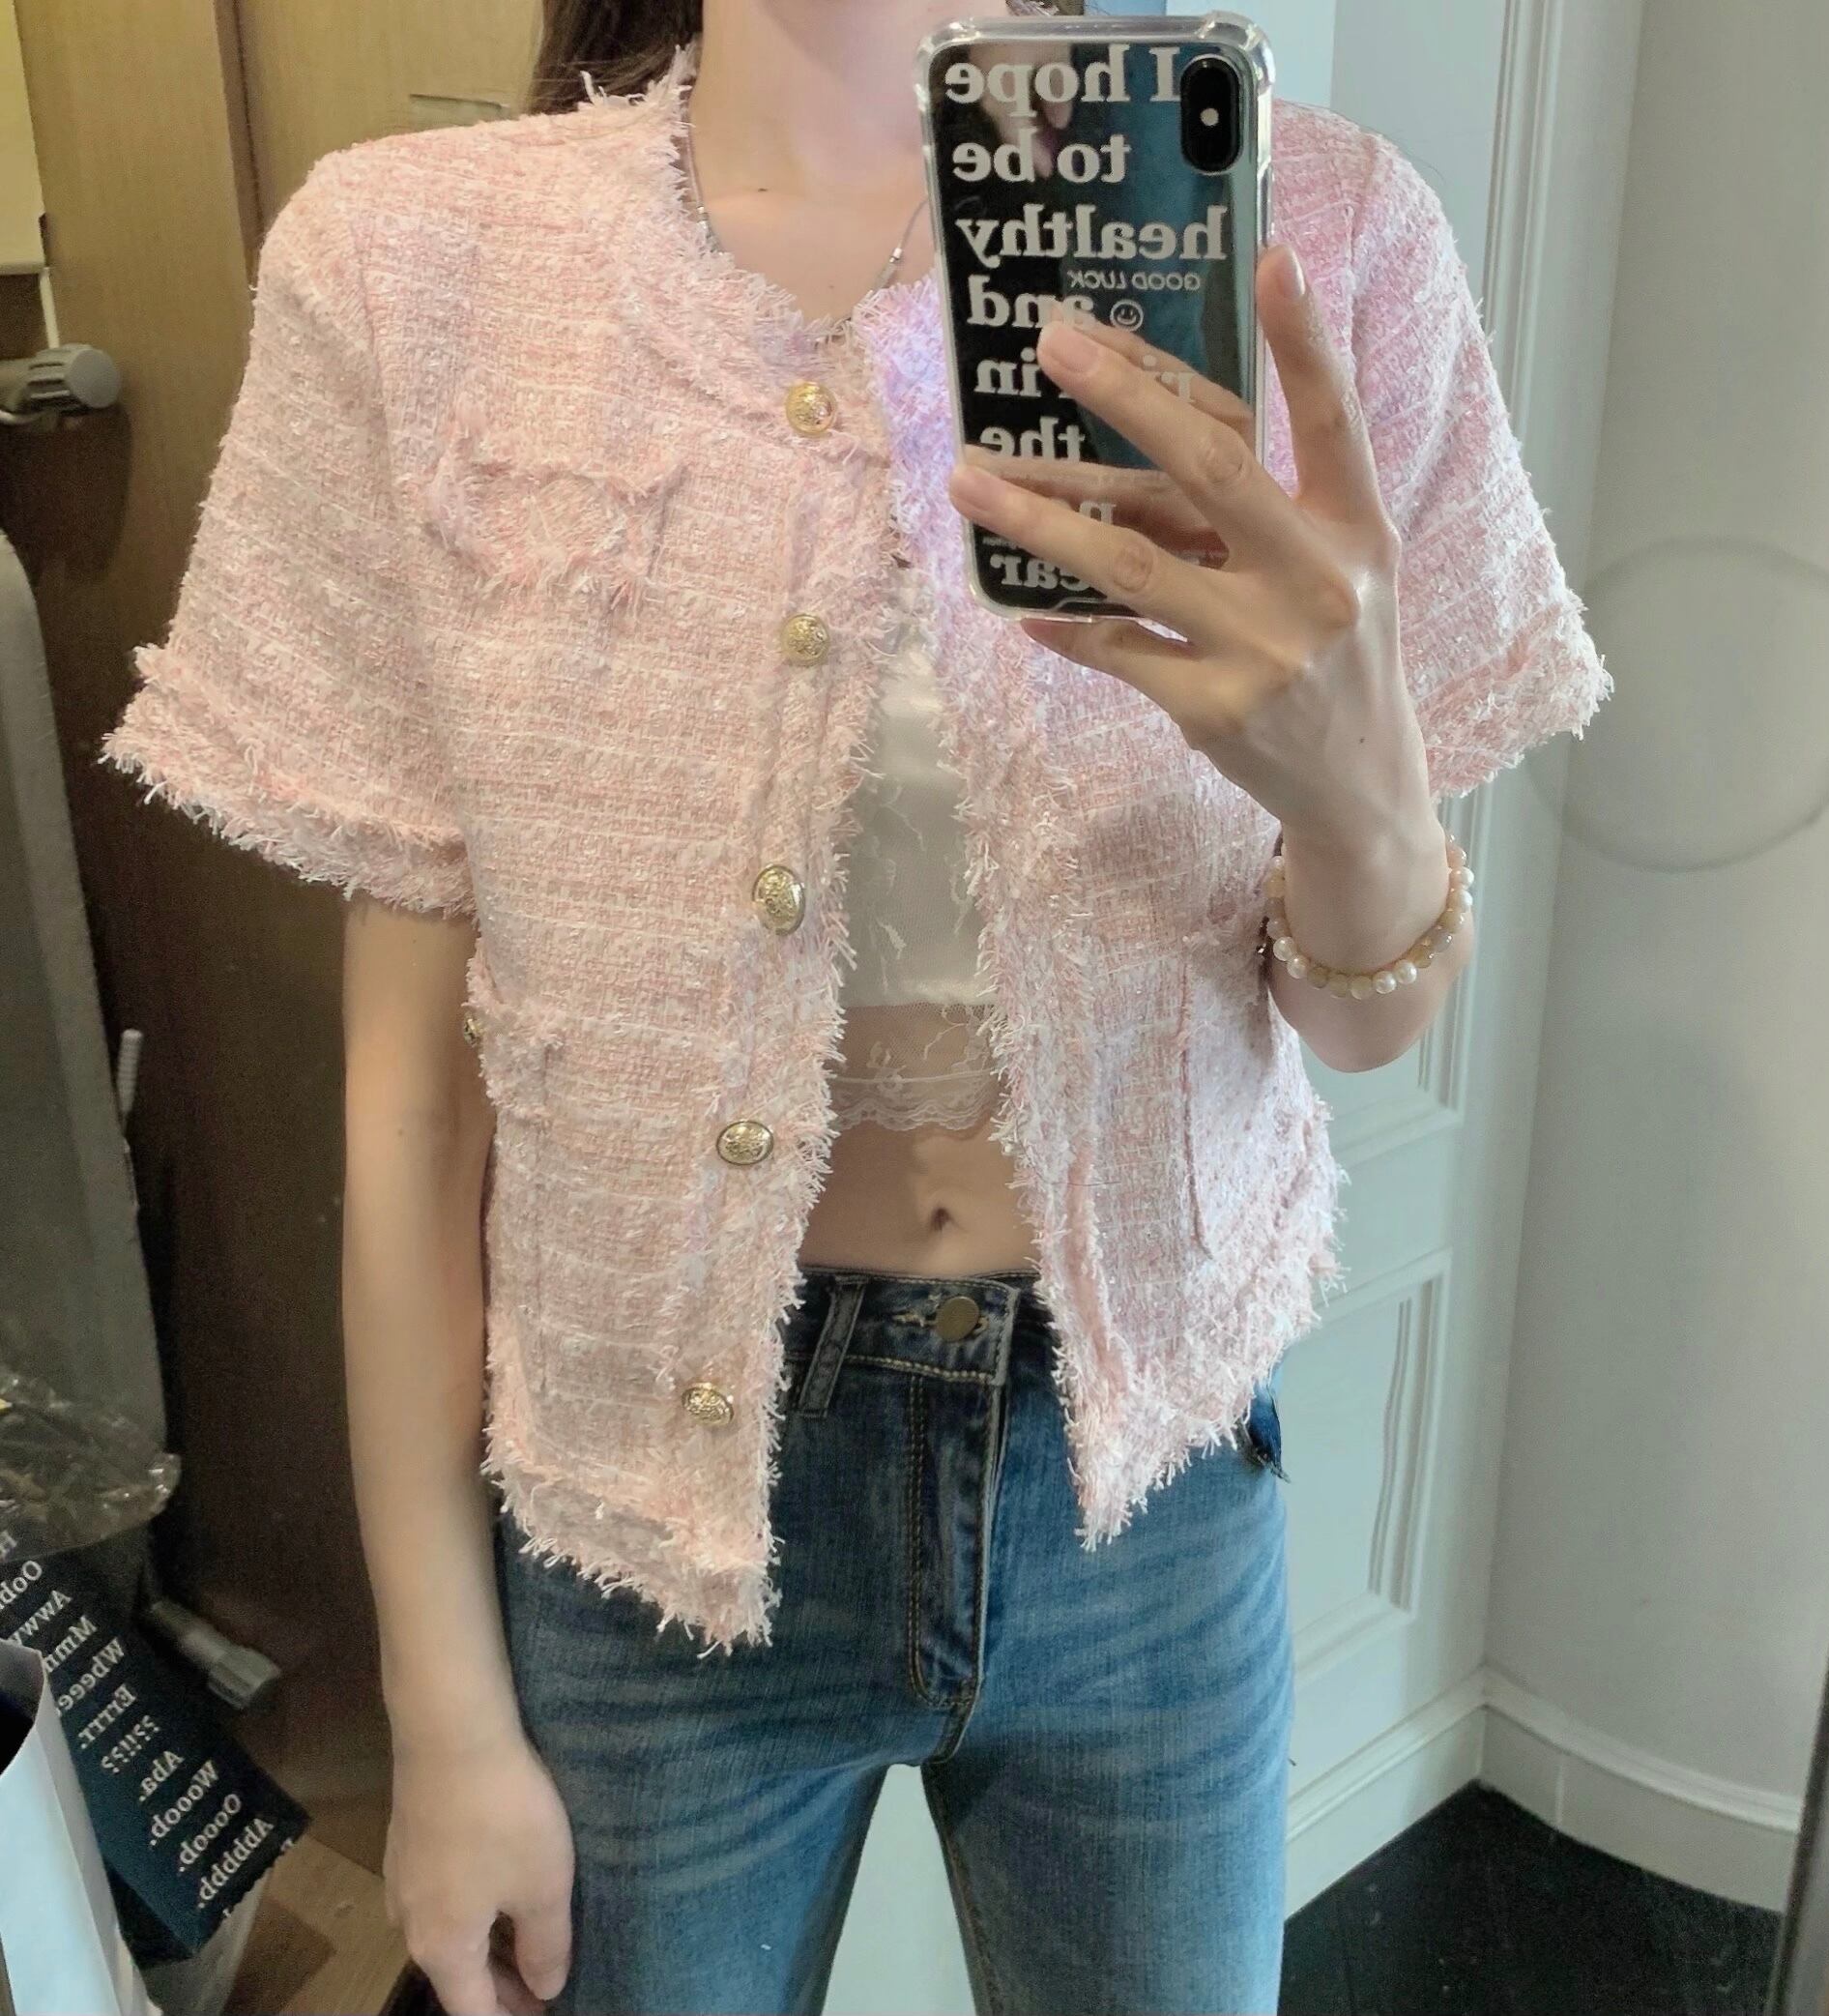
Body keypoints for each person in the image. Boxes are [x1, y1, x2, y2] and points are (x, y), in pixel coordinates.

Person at [101, 1, 1611, 2010]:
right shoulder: (417, 263)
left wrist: (1357, 796)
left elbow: (1358, 1025)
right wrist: (441, 1708)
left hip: (1147, 1494)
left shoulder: (1313, 239)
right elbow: (411, 1104)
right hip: (642, 1525)